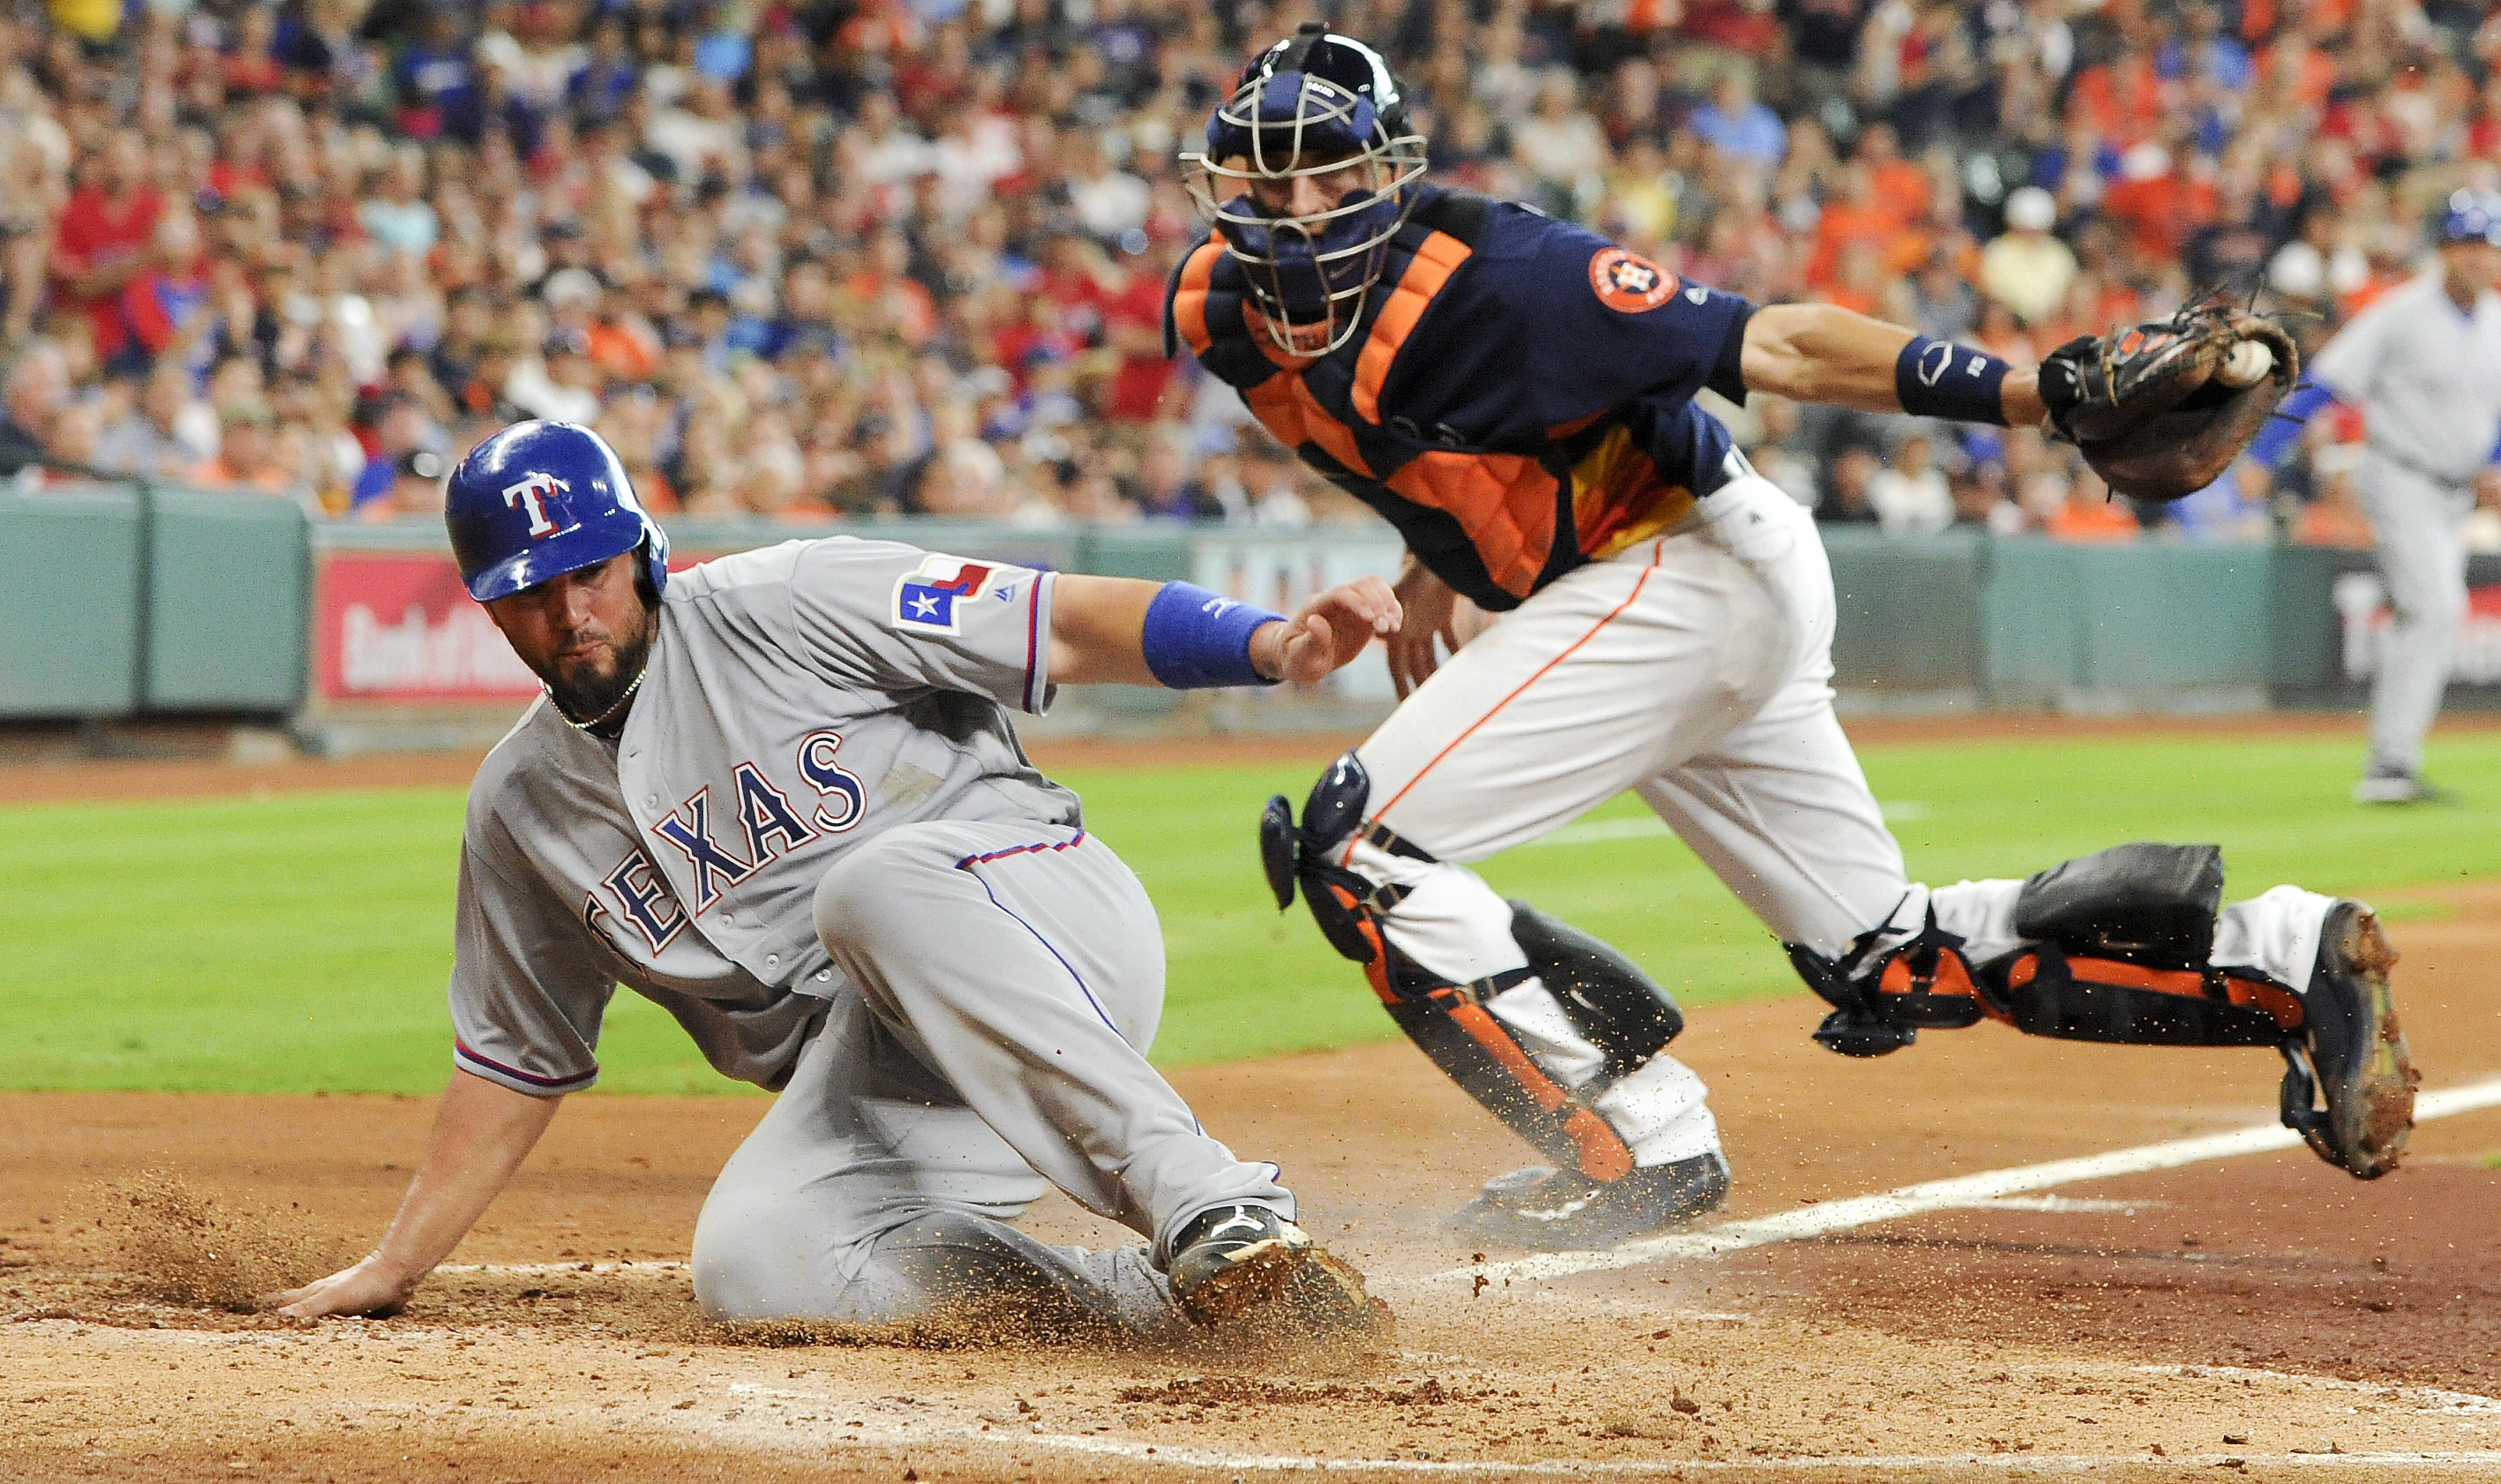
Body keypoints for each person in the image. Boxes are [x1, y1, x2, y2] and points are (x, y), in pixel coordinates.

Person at [1170, 26, 2418, 1250]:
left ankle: (1634, 1138)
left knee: (1359, 846)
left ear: (1394, 171)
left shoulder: (1510, 272)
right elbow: (1416, 435)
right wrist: (1431, 559)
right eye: (1267, 175)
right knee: (1886, 954)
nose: (1299, 204)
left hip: (1680, 567)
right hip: (1654, 587)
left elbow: (1779, 342)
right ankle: (2282, 956)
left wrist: (2032, 394)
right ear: (1222, 184)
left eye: (1331, 170)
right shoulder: (1216, 314)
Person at [269, 420, 1401, 1338]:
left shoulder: (791, 597)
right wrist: (395, 1263)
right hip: (892, 1071)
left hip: (1040, 923)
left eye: (590, 572)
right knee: (758, 1262)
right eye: (530, 591)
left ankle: (1215, 1202)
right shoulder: (520, 807)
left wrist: (1270, 648)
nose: (569, 613)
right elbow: (516, 1056)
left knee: (868, 884)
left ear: (641, 552)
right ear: (483, 601)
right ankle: (1193, 1305)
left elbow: (1056, 625)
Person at [2245, 191, 2501, 805]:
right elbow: (2324, 383)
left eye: (2488, 244)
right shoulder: (2403, 312)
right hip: (2399, 475)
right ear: (2443, 249)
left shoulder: (2496, 318)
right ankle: (2390, 765)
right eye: (2468, 243)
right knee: (2435, 606)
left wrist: (2495, 465)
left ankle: (2394, 760)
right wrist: (2261, 454)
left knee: (2433, 612)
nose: (2480, 257)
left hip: (2457, 491)